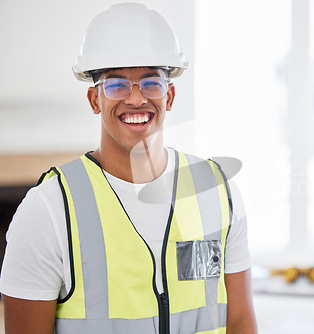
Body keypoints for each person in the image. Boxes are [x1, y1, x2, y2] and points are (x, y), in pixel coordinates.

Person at [0, 3, 257, 334]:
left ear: (170, 95)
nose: (136, 99)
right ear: (95, 100)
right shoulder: (48, 209)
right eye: (116, 84)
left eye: (151, 82)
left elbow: (239, 323)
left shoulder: (216, 193)